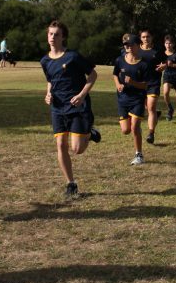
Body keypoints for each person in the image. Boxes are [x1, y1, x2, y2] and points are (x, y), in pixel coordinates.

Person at [40, 20, 100, 199]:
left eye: (56, 34)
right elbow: (50, 80)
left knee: (77, 149)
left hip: (77, 107)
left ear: (63, 37)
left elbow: (93, 74)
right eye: (50, 34)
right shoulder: (45, 60)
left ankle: (89, 132)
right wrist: (48, 94)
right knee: (60, 144)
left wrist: (82, 95)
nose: (52, 37)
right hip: (58, 108)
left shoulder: (73, 57)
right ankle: (71, 184)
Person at [113, 33, 151, 165]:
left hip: (137, 99)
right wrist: (118, 84)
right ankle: (136, 129)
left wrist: (133, 83)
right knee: (125, 130)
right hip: (123, 99)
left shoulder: (144, 64)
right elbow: (115, 75)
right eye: (126, 45)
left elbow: (146, 85)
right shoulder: (120, 60)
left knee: (134, 127)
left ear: (138, 46)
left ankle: (139, 155)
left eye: (130, 44)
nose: (128, 47)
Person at [138, 30, 164, 146]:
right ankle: (155, 115)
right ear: (140, 38)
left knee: (151, 107)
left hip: (153, 83)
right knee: (147, 108)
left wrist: (164, 65)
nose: (146, 39)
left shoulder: (158, 51)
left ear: (151, 37)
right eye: (143, 37)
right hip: (138, 84)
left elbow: (166, 61)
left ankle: (151, 133)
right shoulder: (136, 50)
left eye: (148, 36)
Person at [161, 35, 176, 122]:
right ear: (164, 44)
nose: (168, 45)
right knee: (165, 92)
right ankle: (170, 109)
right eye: (166, 43)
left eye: (170, 43)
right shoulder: (162, 54)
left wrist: (173, 65)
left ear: (173, 44)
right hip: (167, 75)